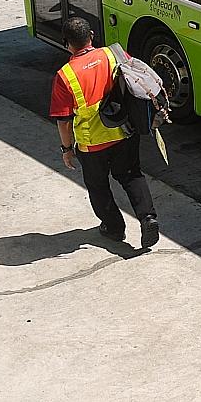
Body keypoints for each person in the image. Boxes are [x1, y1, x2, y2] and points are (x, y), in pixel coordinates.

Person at [49, 17, 159, 249]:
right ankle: (147, 218)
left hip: (92, 144)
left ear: (66, 43)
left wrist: (66, 149)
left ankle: (114, 228)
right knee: (131, 175)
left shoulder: (65, 75)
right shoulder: (113, 54)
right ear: (91, 35)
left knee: (98, 186)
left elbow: (63, 121)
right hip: (124, 132)